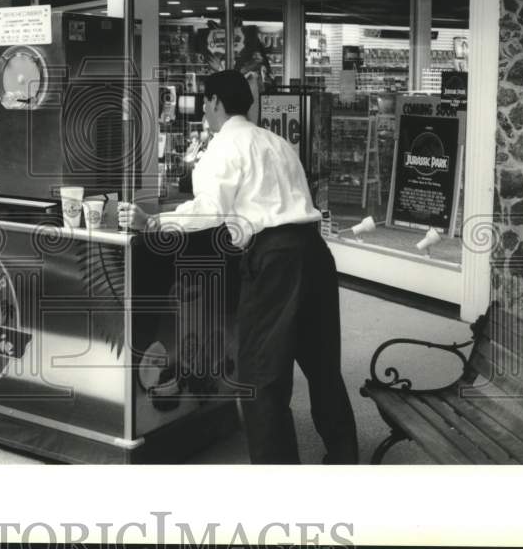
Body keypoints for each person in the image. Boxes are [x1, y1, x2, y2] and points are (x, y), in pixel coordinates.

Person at [119, 70, 358, 464]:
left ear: (213, 102)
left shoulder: (222, 147)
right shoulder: (277, 142)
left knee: (261, 375)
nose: (202, 112)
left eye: (203, 104)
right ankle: (343, 457)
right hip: (314, 253)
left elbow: (210, 212)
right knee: (322, 364)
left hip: (273, 260)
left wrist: (153, 222)